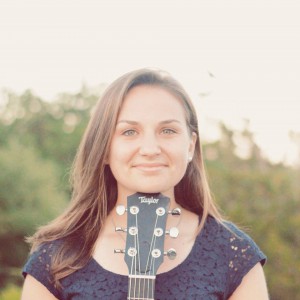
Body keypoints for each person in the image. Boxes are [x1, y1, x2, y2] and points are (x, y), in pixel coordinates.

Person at [21, 68, 269, 299]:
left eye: (168, 131)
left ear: (191, 145)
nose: (150, 149)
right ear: (104, 148)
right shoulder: (55, 256)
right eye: (129, 132)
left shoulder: (232, 253)